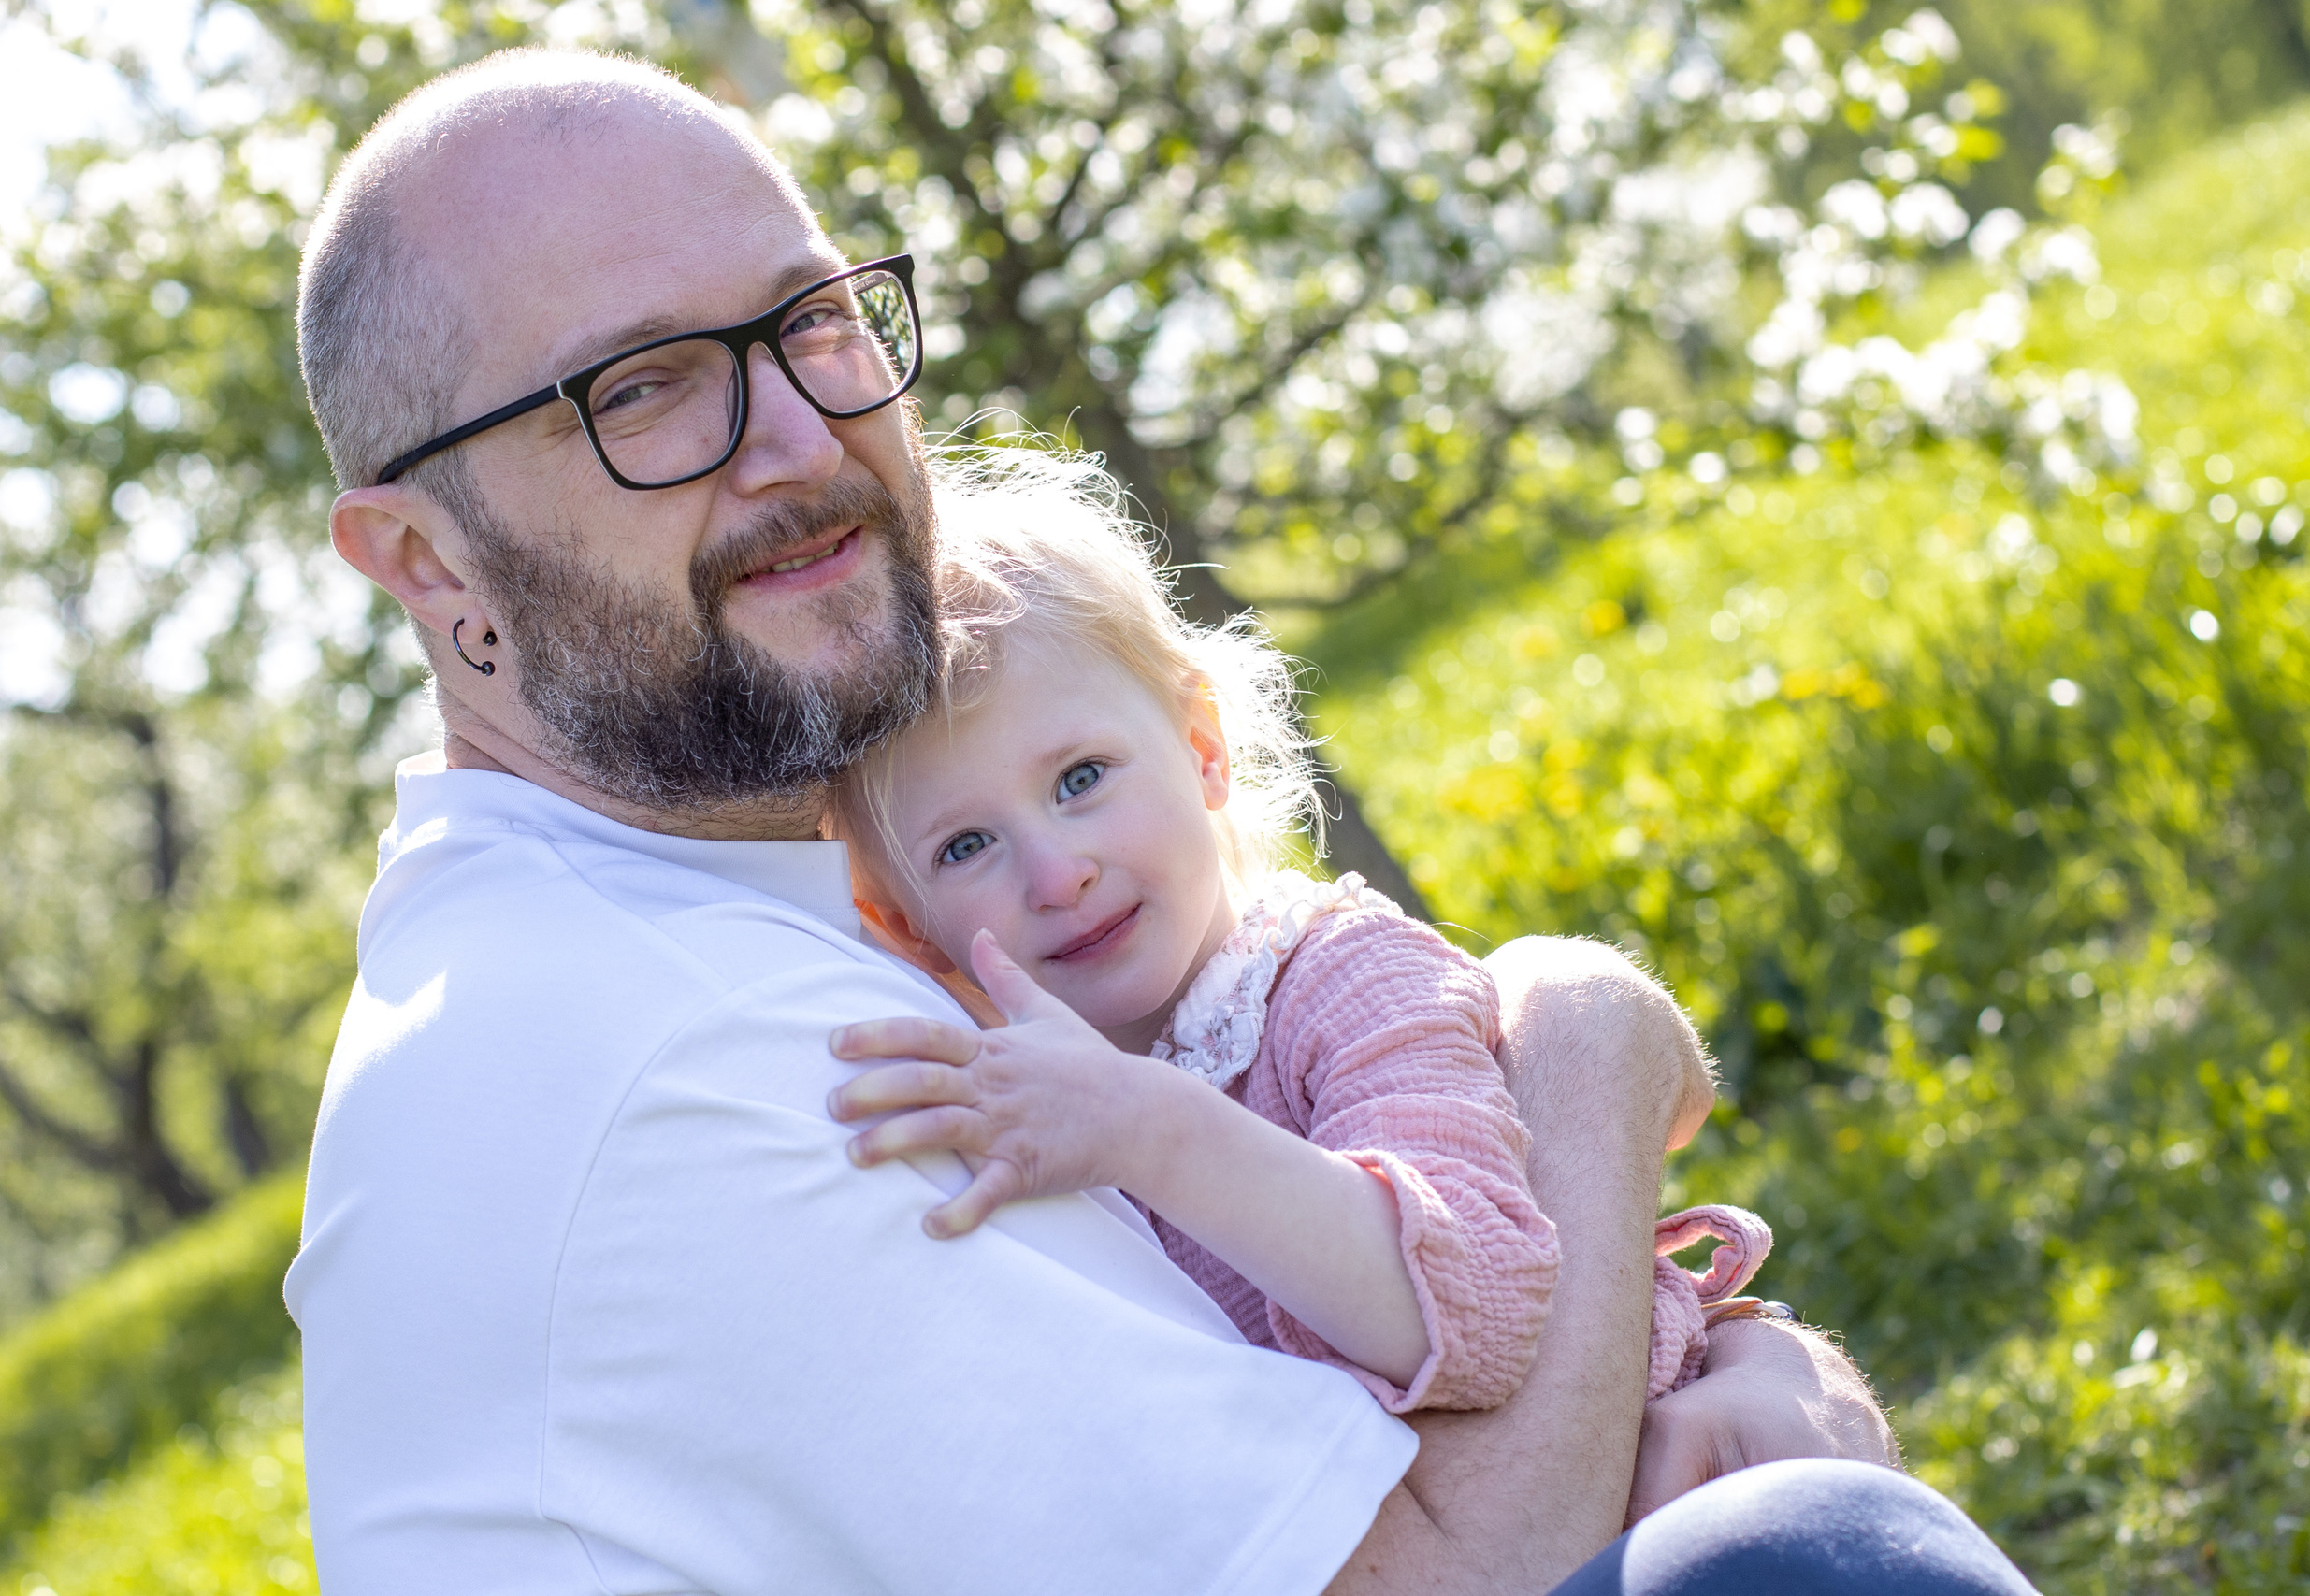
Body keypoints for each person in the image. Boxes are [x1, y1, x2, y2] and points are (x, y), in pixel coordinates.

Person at [283, 45, 2034, 1594]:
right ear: (430, 563)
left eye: (811, 320)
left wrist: (1737, 1378)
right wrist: (1585, 1041)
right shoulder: (686, 1058)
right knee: (1794, 1562)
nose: (801, 437)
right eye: (645, 386)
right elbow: (1471, 1574)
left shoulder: (650, 928)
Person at [821, 457, 1773, 1413]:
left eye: (1081, 779)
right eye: (967, 846)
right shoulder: (1015, 1113)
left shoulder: (1342, 981)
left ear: (1203, 750)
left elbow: (1476, 1316)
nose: (1056, 874)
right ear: (905, 926)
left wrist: (1148, 1131)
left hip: (1641, 1489)